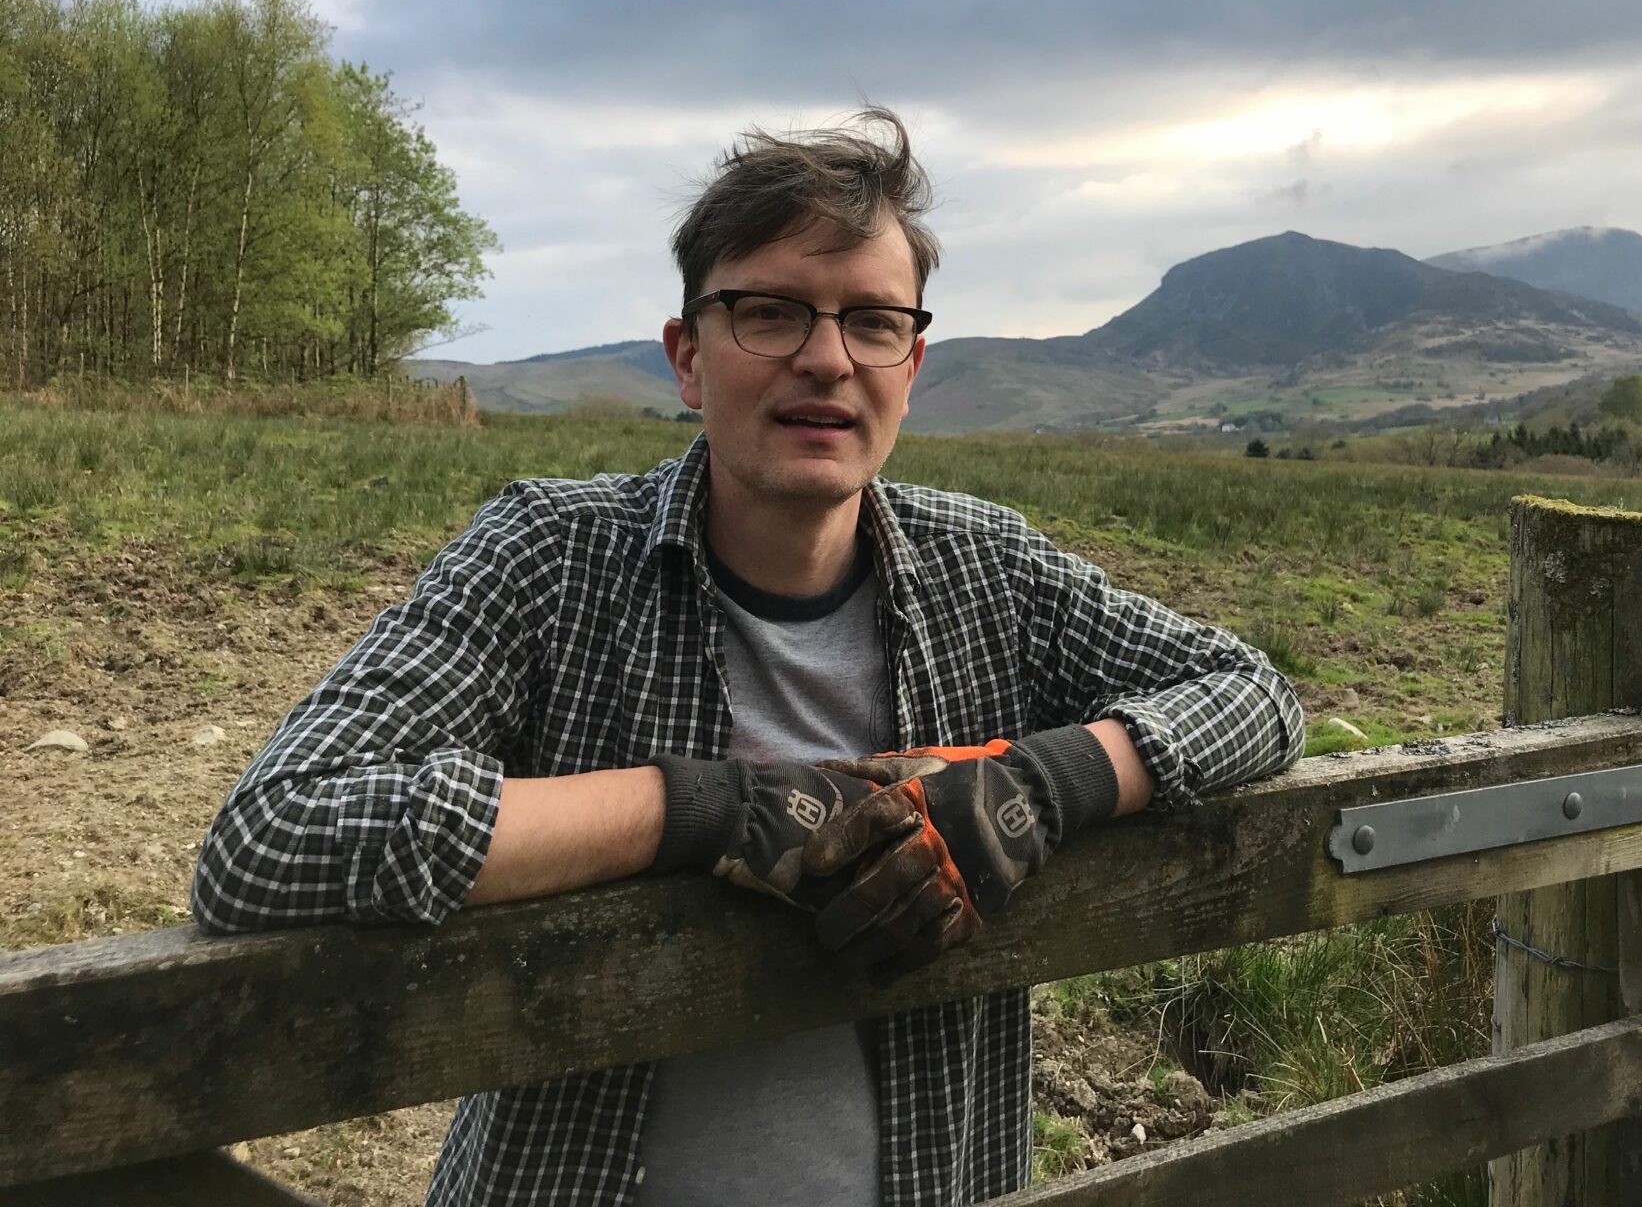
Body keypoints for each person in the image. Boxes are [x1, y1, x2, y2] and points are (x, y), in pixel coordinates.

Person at [191, 107, 1304, 1207]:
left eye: (872, 322)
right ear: (687, 357)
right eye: (769, 313)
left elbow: (1252, 693)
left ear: (911, 365)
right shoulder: (548, 558)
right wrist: (709, 811)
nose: (826, 359)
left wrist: (1040, 787)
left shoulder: (989, 570)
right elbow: (272, 836)